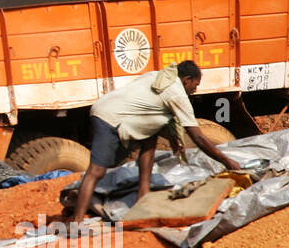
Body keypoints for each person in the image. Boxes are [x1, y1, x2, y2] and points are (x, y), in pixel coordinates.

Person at [69, 59, 240, 223]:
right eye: (195, 85)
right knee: (97, 171)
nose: (195, 90)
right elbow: (198, 137)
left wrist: (173, 136)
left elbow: (153, 112)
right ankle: (76, 222)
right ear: (187, 80)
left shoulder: (157, 76)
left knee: (149, 140)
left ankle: (143, 196)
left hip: (107, 106)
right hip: (109, 117)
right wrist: (228, 162)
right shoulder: (177, 93)